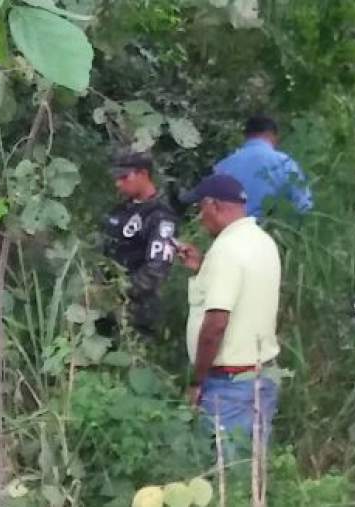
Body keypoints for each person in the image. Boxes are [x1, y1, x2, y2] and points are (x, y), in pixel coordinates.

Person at [176, 174, 281, 449]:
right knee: (252, 468)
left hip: (230, 384)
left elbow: (216, 325)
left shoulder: (226, 250)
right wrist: (203, 268)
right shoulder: (262, 242)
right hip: (261, 376)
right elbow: (246, 291)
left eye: (201, 208)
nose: (200, 217)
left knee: (224, 473)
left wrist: (197, 380)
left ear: (214, 205)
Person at [103, 150, 178, 335]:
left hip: (138, 313)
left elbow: (155, 270)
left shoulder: (160, 216)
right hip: (106, 309)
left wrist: (117, 292)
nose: (118, 183)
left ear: (143, 174)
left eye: (124, 177)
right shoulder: (121, 210)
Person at [214, 114, 313, 218]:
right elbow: (304, 205)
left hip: (232, 230)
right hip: (270, 229)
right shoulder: (285, 163)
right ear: (274, 137)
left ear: (246, 136)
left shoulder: (222, 166)